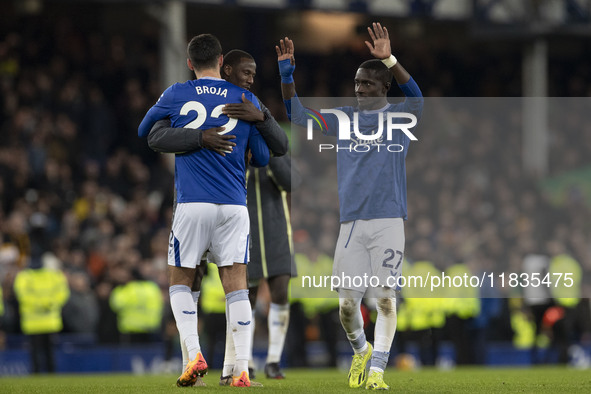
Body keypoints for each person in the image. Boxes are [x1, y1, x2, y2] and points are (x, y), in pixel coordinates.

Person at [277, 23, 423, 389]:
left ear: (384, 86)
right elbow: (297, 114)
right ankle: (360, 351)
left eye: (368, 84)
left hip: (389, 221)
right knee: (346, 307)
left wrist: (389, 58)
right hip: (352, 226)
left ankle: (377, 371)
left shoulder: (398, 118)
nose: (359, 90)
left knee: (385, 302)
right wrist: (286, 76)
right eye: (357, 84)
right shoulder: (344, 118)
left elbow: (418, 98)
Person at [147, 49, 295, 382]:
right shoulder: (232, 103)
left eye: (254, 74)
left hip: (217, 211)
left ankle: (233, 368)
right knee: (218, 285)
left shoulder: (248, 106)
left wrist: (260, 120)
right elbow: (264, 154)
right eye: (245, 72)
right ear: (224, 68)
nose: (250, 78)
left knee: (228, 288)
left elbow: (283, 164)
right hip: (226, 207)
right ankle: (208, 366)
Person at [13, 246, 70, 373]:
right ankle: (48, 373)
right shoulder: (53, 275)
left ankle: (41, 373)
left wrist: (39, 304)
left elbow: (23, 295)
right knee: (44, 351)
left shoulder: (24, 276)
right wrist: (48, 303)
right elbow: (62, 293)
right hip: (46, 320)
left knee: (41, 351)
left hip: (35, 321)